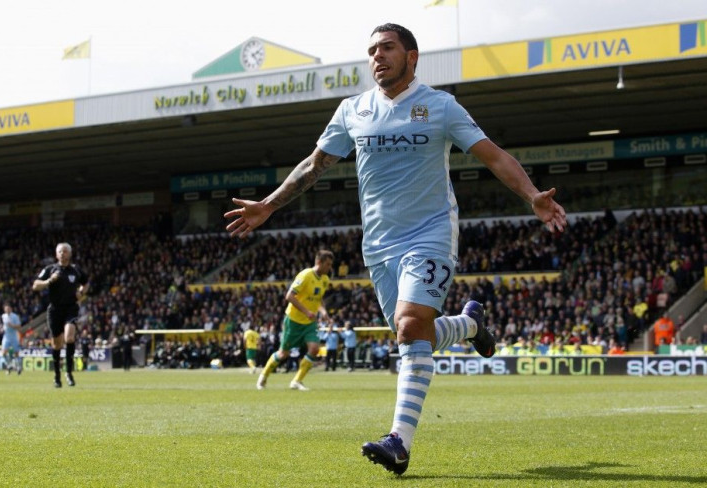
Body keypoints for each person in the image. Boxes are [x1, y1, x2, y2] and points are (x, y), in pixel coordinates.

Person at [224, 23, 566, 475]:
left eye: (387, 48)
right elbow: (315, 163)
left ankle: (399, 443)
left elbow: (493, 155)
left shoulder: (440, 106)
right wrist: (268, 205)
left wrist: (532, 195)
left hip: (430, 232)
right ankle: (467, 325)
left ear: (412, 56)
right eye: (371, 50)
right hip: (379, 243)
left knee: (409, 327)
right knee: (413, 336)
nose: (377, 57)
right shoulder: (354, 110)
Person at [255, 250, 334, 391]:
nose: (330, 268)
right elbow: (289, 296)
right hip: (293, 321)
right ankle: (263, 375)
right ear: (319, 262)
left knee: (314, 348)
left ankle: (296, 381)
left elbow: (319, 300)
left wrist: (325, 314)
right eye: (328, 264)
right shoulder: (305, 275)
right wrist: (307, 311)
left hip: (309, 323)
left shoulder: (325, 280)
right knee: (283, 354)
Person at [32, 242, 89, 388]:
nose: (62, 254)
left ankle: (69, 372)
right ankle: (57, 375)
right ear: (56, 254)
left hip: (71, 308)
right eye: (60, 252)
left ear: (70, 254)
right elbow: (35, 285)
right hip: (55, 310)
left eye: (65, 251)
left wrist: (81, 293)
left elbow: (86, 282)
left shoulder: (76, 270)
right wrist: (49, 280)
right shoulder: (50, 269)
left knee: (69, 338)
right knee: (57, 344)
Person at [1, 304, 23, 375]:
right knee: (3, 353)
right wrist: (2, 328)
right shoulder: (3, 316)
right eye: (6, 309)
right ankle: (9, 365)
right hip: (6, 336)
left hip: (14, 336)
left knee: (16, 353)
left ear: (11, 309)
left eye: (8, 309)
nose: (7, 310)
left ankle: (19, 367)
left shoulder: (15, 316)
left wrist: (12, 326)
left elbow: (19, 326)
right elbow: (5, 325)